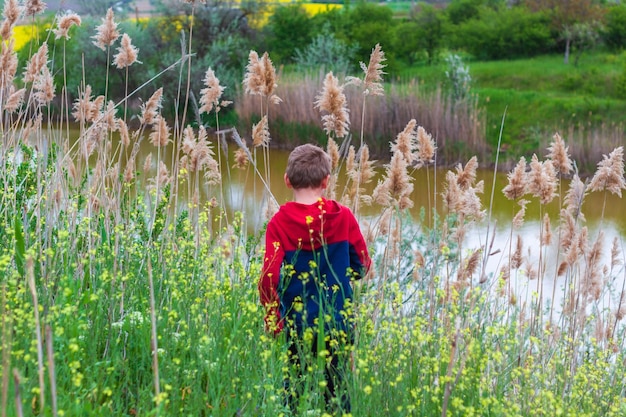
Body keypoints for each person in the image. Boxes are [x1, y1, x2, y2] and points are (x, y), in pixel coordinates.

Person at [258, 144, 371, 415]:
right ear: (326, 181)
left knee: (294, 394)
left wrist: (275, 320)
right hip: (338, 322)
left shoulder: (278, 224)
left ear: (287, 180)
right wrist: (344, 275)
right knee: (338, 395)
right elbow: (362, 264)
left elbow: (267, 279)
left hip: (297, 326)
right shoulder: (343, 216)